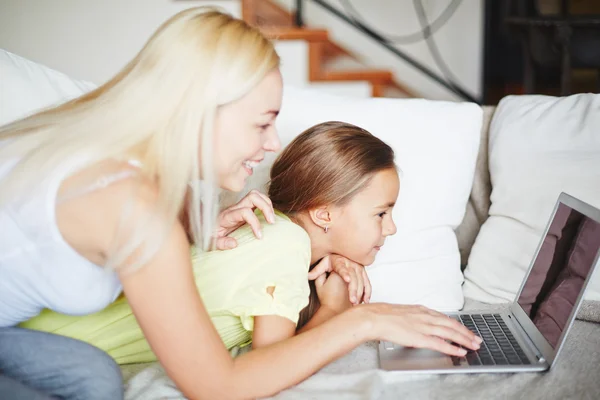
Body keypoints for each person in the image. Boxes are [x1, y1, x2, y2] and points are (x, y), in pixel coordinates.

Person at [0, 7, 480, 400]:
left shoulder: (138, 171)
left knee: (92, 377)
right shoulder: (129, 206)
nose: (273, 143)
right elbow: (217, 386)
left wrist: (194, 228)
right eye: (262, 122)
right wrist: (364, 319)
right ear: (198, 111)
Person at [22, 121, 399, 361]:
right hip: (49, 342)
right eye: (381, 213)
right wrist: (334, 311)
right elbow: (272, 365)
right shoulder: (286, 246)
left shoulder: (280, 237)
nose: (392, 228)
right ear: (324, 214)